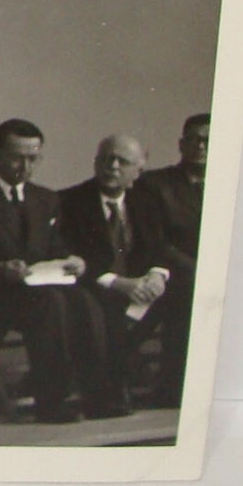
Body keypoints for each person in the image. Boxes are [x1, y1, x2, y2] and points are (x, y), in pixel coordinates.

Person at [0, 118, 124, 422]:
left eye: (33, 158)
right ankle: (52, 402)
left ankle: (98, 397)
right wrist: (0, 269)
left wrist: (72, 260)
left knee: (86, 299)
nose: (24, 166)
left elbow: (54, 249)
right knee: (51, 304)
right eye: (16, 157)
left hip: (37, 293)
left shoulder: (46, 199)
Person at [59, 134, 170, 413]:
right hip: (94, 285)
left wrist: (156, 276)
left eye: (123, 161)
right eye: (107, 159)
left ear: (138, 171)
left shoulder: (146, 202)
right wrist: (118, 283)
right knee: (103, 306)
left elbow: (158, 247)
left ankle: (171, 388)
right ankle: (108, 392)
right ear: (96, 163)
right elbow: (68, 253)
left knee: (184, 296)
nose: (113, 166)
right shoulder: (69, 201)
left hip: (138, 289)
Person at [132, 112, 209, 407]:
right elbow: (156, 242)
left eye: (207, 141)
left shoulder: (233, 182)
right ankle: (174, 387)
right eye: (193, 140)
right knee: (189, 290)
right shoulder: (155, 184)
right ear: (181, 144)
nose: (200, 147)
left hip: (215, 272)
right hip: (171, 272)